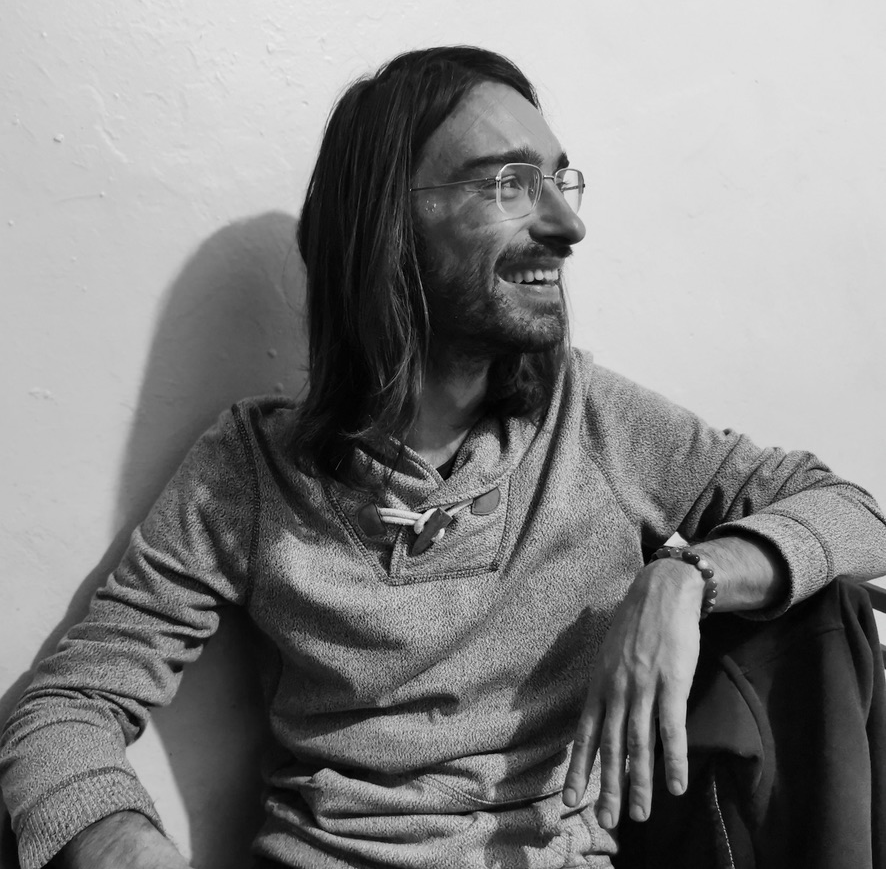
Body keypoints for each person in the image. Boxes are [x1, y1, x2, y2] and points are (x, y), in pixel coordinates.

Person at [2, 45, 885, 869]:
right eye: (510, 183)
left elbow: (856, 515)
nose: (568, 223)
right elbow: (65, 705)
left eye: (558, 180)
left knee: (826, 607)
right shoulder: (250, 469)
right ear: (387, 222)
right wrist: (126, 847)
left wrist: (689, 575)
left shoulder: (593, 423)